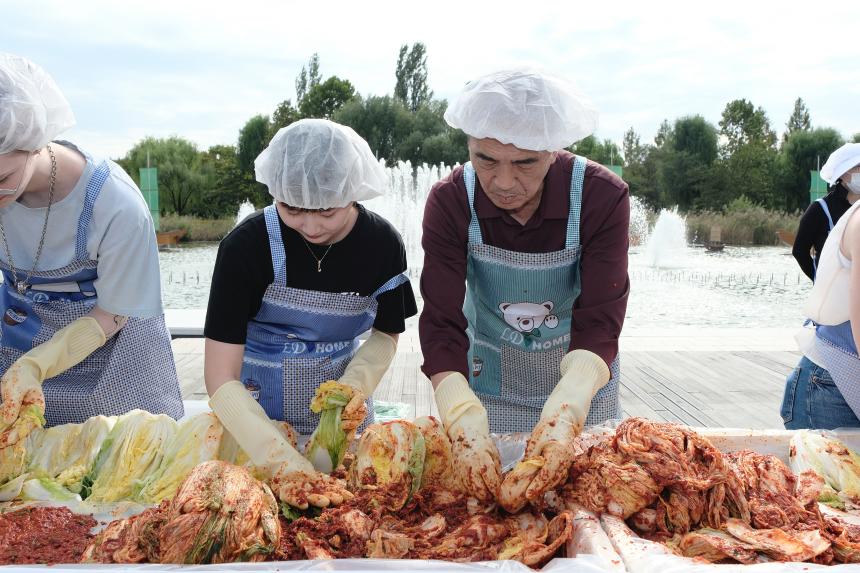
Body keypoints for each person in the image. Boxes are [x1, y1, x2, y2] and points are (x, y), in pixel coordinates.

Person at [419, 69, 629, 504]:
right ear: (468, 146)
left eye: (525, 162)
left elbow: (601, 318)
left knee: (585, 502)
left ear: (553, 150)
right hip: (490, 388)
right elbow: (441, 319)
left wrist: (569, 405)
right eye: (486, 160)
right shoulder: (451, 201)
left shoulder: (600, 197)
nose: (504, 183)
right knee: (484, 510)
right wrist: (457, 406)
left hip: (582, 385)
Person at [205, 118, 418, 508]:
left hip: (344, 422)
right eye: (292, 208)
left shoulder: (383, 245)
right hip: (254, 421)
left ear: (352, 192)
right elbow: (220, 376)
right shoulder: (245, 247)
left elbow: (387, 334)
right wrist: (278, 457)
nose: (310, 225)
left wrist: (352, 388)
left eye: (326, 211)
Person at [0, 53, 183, 446]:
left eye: (2, 178)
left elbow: (111, 315)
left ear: (33, 142)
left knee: (118, 468)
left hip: (115, 359)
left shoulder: (116, 207)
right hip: (20, 345)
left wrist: (37, 364)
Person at [783, 143, 860, 429]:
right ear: (842, 175)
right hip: (830, 381)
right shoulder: (823, 209)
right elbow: (800, 249)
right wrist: (817, 277)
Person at [792, 143, 860, 281]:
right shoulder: (820, 209)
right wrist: (819, 281)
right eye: (859, 167)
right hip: (833, 295)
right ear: (843, 173)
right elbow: (800, 251)